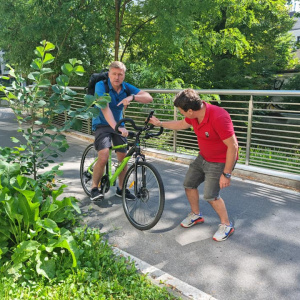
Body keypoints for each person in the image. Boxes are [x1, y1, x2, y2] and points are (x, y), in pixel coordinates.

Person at [149, 89, 238, 242]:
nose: (181, 114)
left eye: (181, 111)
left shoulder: (219, 116)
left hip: (220, 161)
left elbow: (233, 146)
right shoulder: (194, 115)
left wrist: (227, 173)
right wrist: (160, 123)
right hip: (203, 157)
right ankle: (196, 215)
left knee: (211, 195)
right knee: (189, 184)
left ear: (190, 110)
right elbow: (182, 124)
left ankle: (226, 225)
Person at [90, 61, 153, 201]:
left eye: (120, 74)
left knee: (123, 158)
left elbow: (149, 97)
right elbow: (105, 109)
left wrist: (133, 97)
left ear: (124, 75)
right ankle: (94, 187)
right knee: (104, 155)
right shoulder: (101, 86)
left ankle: (121, 188)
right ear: (109, 74)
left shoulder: (126, 87)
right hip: (102, 124)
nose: (117, 77)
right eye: (114, 74)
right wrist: (117, 127)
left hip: (119, 125)